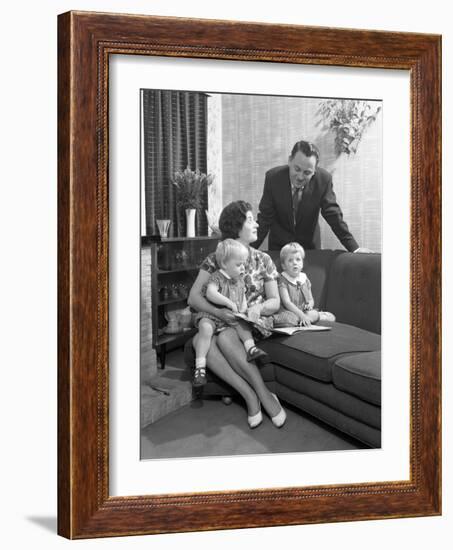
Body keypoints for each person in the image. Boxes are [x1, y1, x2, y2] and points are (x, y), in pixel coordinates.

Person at [188, 200, 286, 429]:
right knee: (200, 340)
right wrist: (218, 313)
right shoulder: (216, 258)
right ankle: (251, 395)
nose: (257, 224)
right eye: (251, 220)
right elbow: (193, 297)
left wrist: (258, 308)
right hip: (222, 320)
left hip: (248, 324)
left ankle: (263, 394)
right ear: (236, 226)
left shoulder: (264, 260)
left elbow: (275, 301)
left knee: (223, 337)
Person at [252, 140, 372, 253]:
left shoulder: (323, 180)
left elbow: (333, 215)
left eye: (307, 172)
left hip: (309, 248)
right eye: (297, 169)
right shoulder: (273, 178)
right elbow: (264, 219)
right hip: (280, 248)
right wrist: (247, 250)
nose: (300, 177)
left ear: (314, 170)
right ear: (289, 161)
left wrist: (354, 248)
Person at [192, 238, 270, 387]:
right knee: (205, 328)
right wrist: (228, 303)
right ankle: (200, 368)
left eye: (244, 264)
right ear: (224, 264)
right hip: (212, 314)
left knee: (243, 324)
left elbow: (243, 298)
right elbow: (210, 293)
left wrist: (244, 310)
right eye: (239, 264)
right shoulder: (217, 276)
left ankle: (251, 348)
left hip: (229, 317)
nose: (243, 268)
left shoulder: (239, 280)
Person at [273, 242, 335, 327]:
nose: (295, 263)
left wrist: (309, 305)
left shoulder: (304, 279)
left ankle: (308, 318)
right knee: (288, 318)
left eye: (298, 259)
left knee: (330, 316)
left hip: (304, 311)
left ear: (302, 263)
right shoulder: (283, 280)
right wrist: (301, 315)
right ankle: (302, 319)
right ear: (283, 266)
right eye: (290, 260)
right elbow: (287, 303)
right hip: (289, 311)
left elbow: (310, 299)